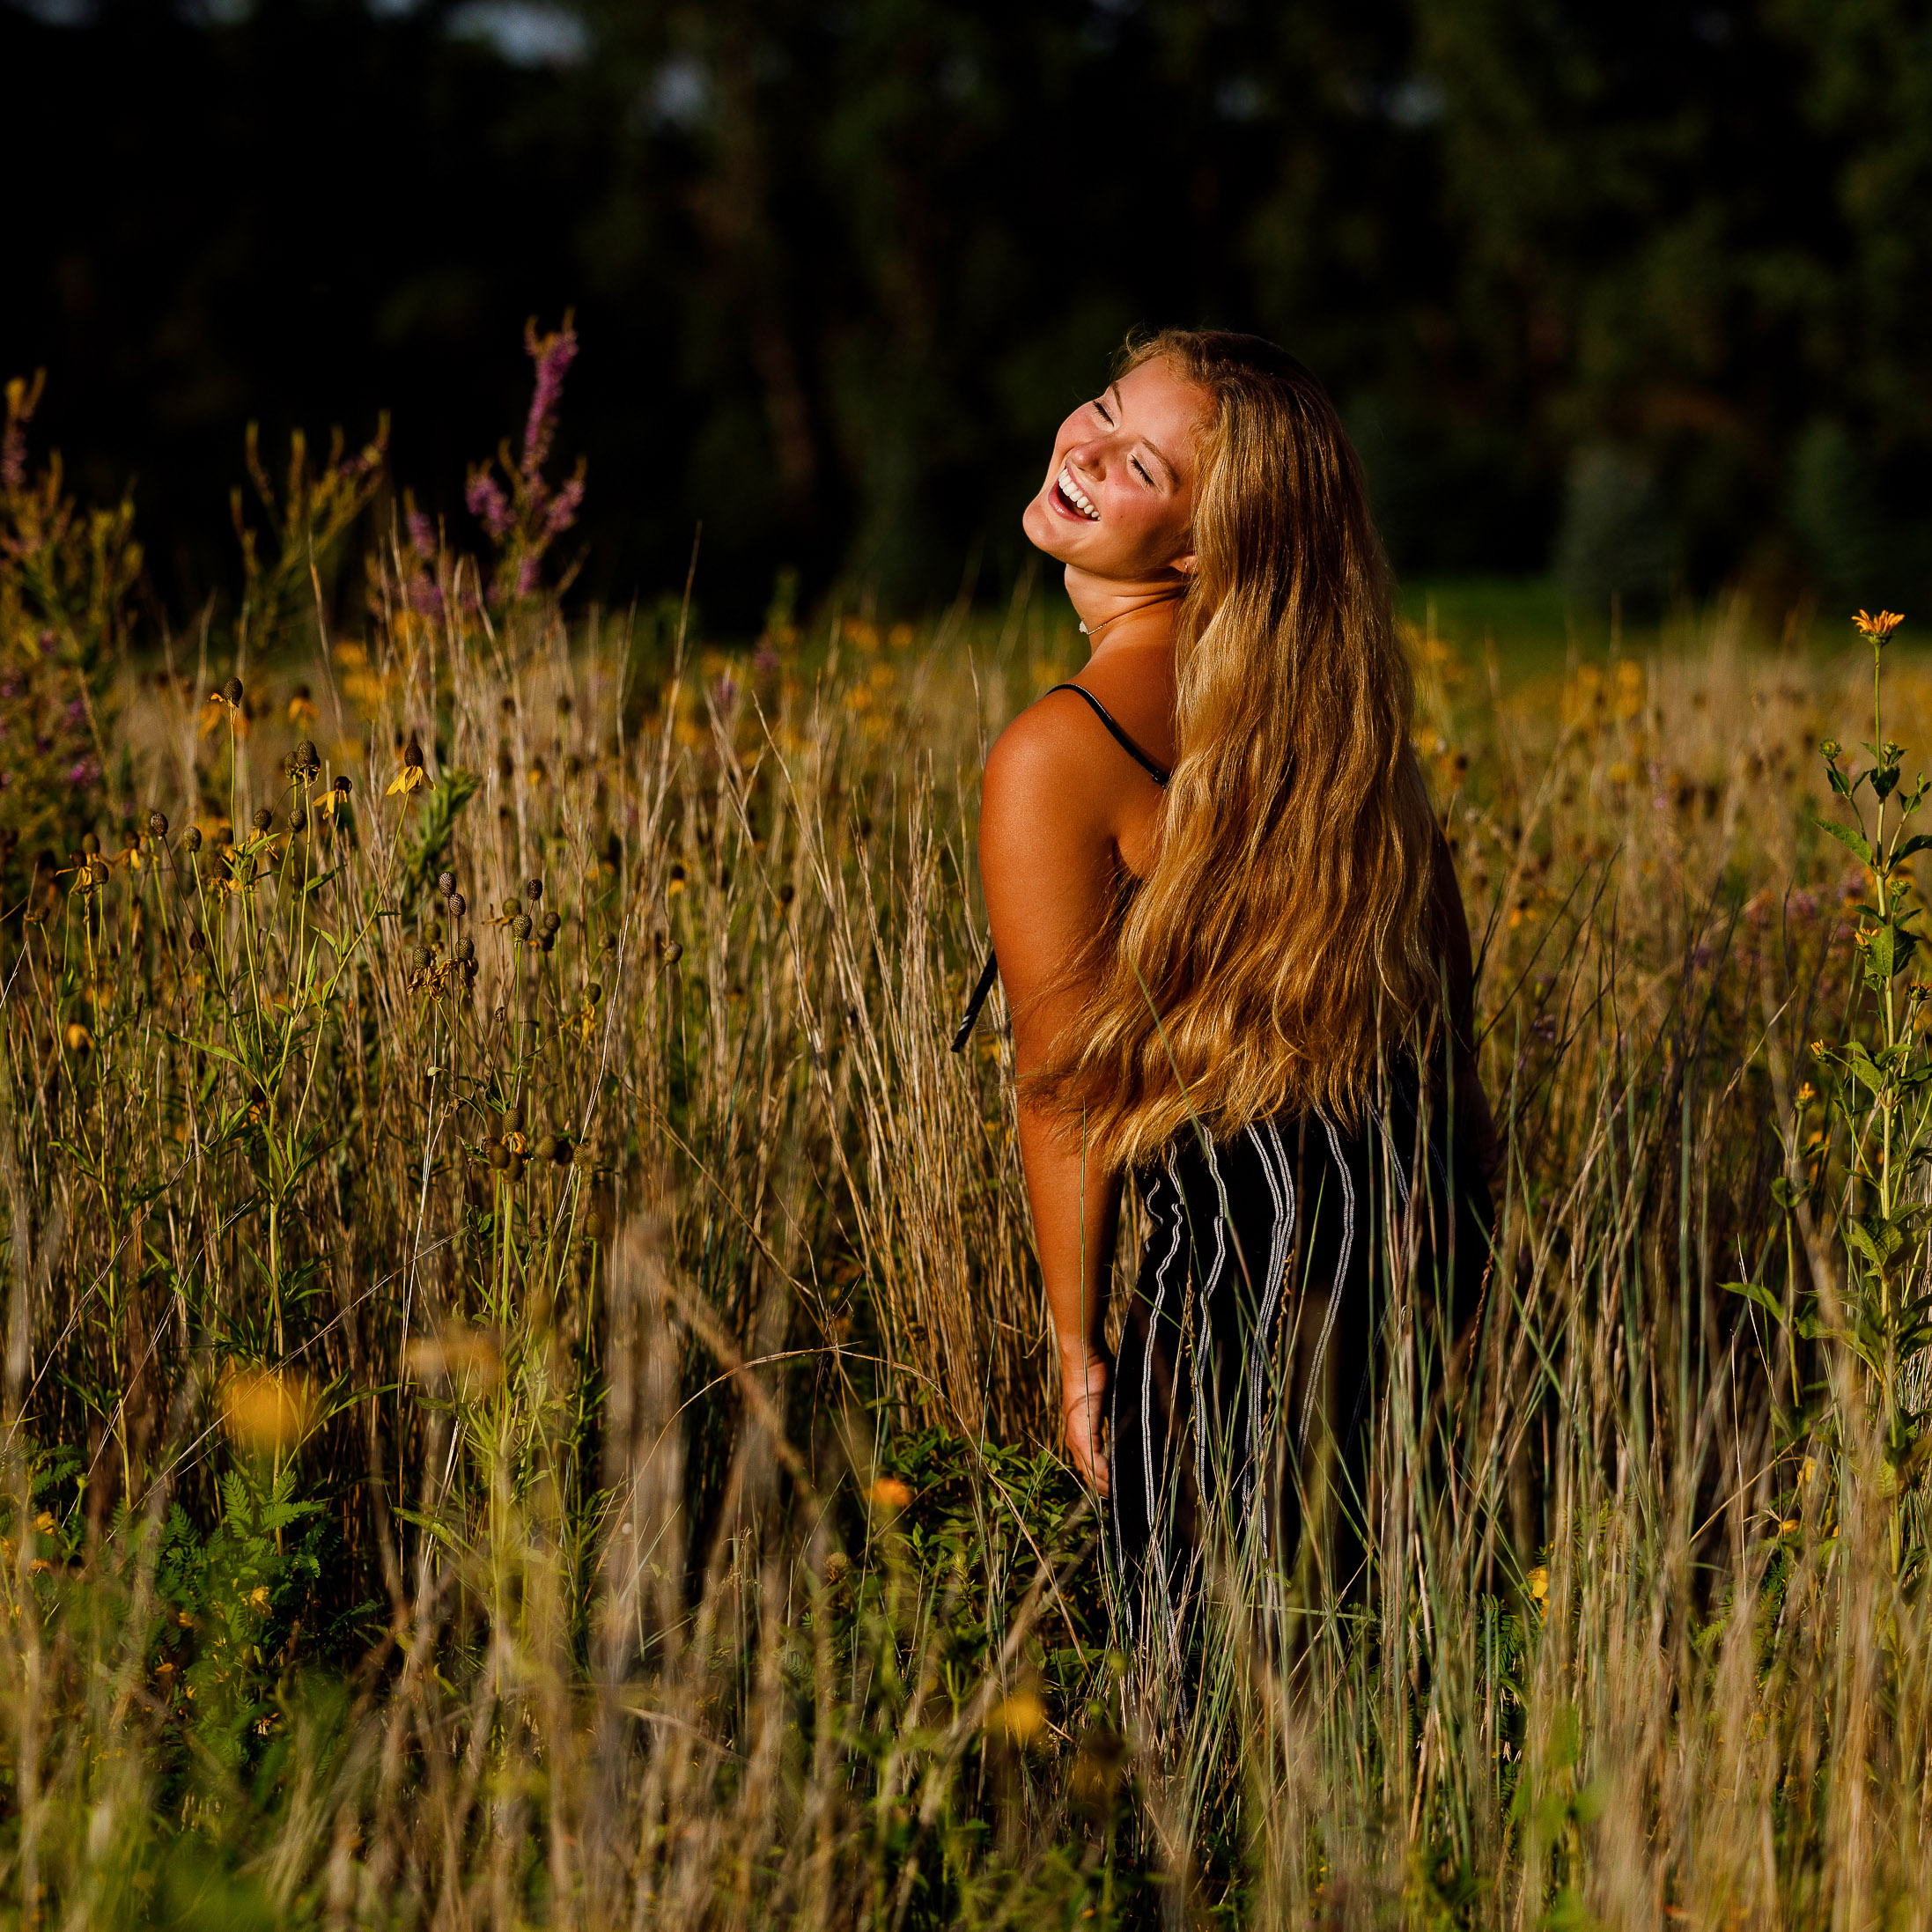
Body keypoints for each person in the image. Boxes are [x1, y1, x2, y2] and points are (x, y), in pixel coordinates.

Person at [963, 329, 1498, 1640]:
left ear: (1200, 549)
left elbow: (1064, 1092)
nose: (1080, 448)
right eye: (1098, 406)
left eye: (1136, 460)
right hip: (1406, 1308)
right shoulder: (1341, 734)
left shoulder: (1061, 750)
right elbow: (1450, 1045)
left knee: (1210, 1756)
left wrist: (1077, 1349)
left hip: (1224, 1339)